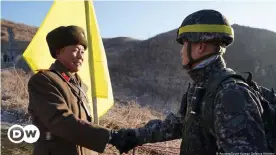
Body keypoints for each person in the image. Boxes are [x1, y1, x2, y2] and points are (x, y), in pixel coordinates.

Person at [108, 9, 271, 154]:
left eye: (184, 43)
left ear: (200, 46)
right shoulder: (201, 87)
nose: (181, 51)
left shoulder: (231, 93)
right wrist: (133, 136)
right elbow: (178, 124)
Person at [28, 25, 111, 155]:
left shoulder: (80, 85)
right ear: (58, 52)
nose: (80, 56)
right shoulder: (43, 81)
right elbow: (61, 121)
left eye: (82, 52)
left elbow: (83, 123)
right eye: (75, 50)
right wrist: (110, 137)